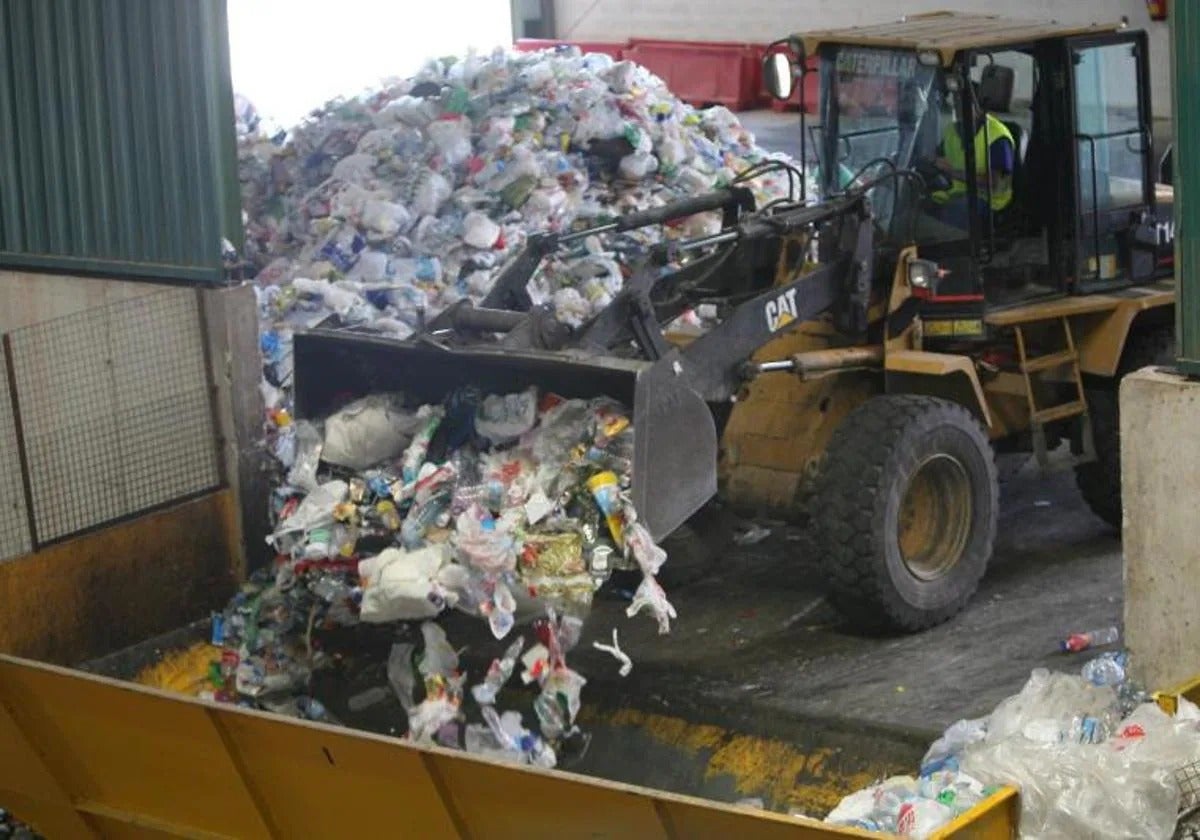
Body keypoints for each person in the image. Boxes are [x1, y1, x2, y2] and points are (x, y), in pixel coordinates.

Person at [929, 87, 1015, 230]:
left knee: (954, 212)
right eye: (956, 101)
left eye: (964, 102)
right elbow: (937, 156)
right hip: (957, 193)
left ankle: (956, 249)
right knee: (918, 205)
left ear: (978, 105)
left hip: (989, 201)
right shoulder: (952, 131)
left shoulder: (997, 136)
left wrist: (952, 172)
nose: (958, 106)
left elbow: (994, 183)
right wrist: (927, 160)